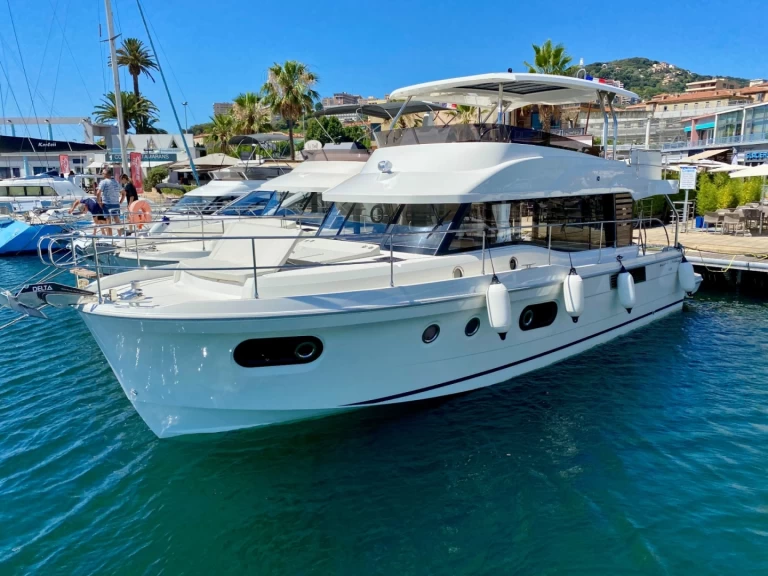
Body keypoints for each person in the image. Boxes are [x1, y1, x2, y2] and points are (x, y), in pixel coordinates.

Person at [96, 167, 122, 235]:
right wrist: (121, 201)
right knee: (117, 219)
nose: (102, 174)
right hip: (116, 204)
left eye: (103, 173)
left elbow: (98, 193)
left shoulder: (103, 182)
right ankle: (121, 235)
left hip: (107, 204)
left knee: (108, 220)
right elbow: (124, 193)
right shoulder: (116, 182)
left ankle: (110, 236)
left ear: (106, 174)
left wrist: (99, 202)